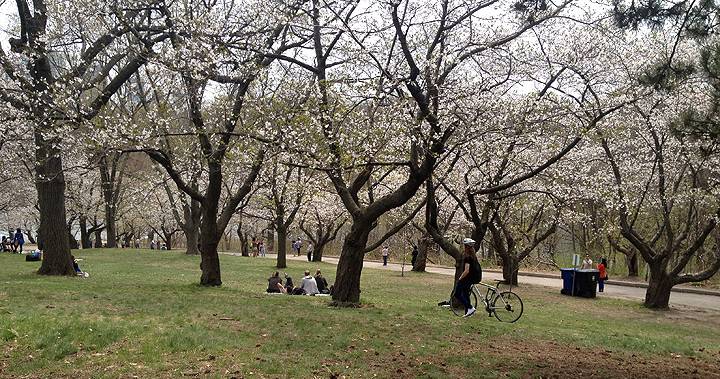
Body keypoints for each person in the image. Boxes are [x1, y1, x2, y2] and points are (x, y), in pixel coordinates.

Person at [454, 238, 482, 317]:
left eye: (464, 246)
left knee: (457, 293)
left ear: (466, 247)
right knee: (466, 294)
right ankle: (468, 312)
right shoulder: (473, 255)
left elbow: (466, 271)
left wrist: (460, 279)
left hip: (468, 278)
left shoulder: (467, 257)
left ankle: (470, 308)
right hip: (473, 278)